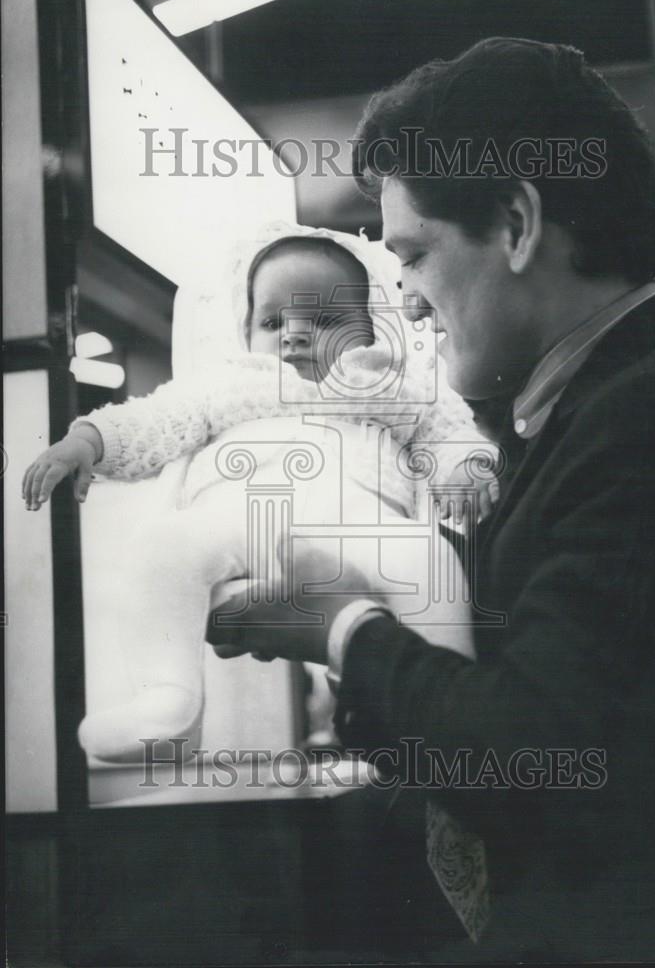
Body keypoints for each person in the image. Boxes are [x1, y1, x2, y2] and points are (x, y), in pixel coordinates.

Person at [206, 39, 655, 960]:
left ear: (517, 224)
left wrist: (343, 626)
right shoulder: (585, 417)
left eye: (413, 255)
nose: (404, 300)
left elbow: (535, 760)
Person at [22, 221, 494, 763]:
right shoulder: (226, 384)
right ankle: (169, 704)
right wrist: (88, 440)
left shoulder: (387, 383)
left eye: (323, 319)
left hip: (355, 521)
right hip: (230, 518)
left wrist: (467, 465)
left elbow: (448, 429)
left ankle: (445, 692)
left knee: (424, 553)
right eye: (273, 320)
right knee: (159, 546)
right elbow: (153, 419)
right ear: (245, 329)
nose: (293, 334)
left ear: (373, 328)